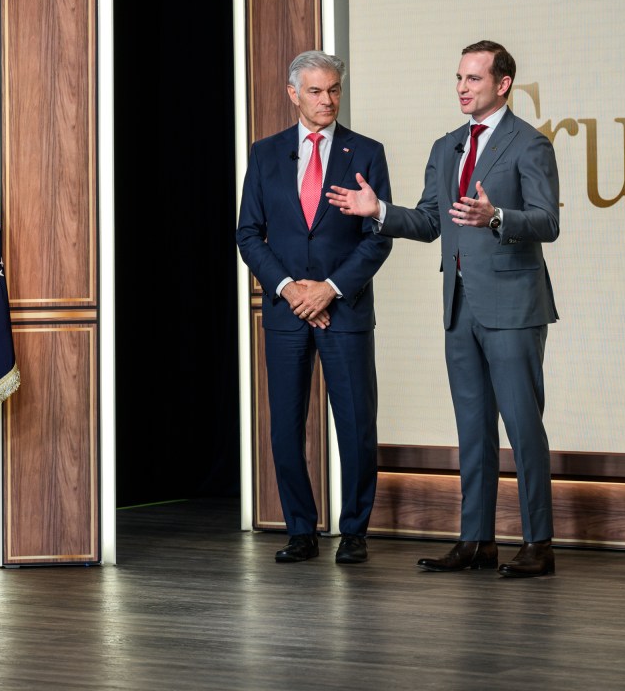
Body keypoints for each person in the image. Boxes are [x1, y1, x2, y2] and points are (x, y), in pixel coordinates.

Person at [326, 40, 559, 578]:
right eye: (458, 77)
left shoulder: (530, 144)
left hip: (514, 306)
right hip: (459, 305)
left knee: (523, 426)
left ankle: (537, 543)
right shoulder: (447, 145)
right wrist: (378, 210)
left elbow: (547, 221)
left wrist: (497, 215)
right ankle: (476, 541)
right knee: (472, 428)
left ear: (502, 85)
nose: (462, 87)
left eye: (473, 79)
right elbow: (431, 222)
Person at [236, 51, 392, 564]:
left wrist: (328, 289)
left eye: (335, 91)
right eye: (317, 91)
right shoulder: (264, 154)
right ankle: (300, 530)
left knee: (355, 424)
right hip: (286, 312)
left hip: (344, 310)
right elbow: (248, 234)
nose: (327, 101)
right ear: (293, 94)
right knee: (285, 426)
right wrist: (290, 288)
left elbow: (377, 237)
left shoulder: (366, 152)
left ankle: (354, 532)